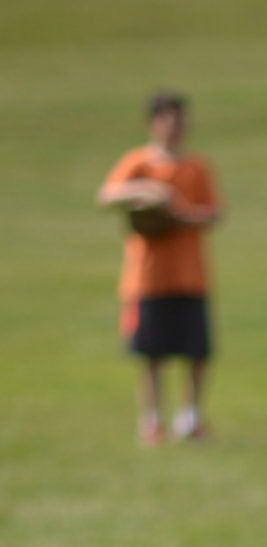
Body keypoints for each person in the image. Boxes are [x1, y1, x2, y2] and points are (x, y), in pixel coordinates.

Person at [97, 92, 223, 445]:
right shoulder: (138, 162)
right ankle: (152, 419)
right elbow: (106, 195)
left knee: (196, 350)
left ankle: (190, 417)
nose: (176, 126)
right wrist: (151, 190)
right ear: (152, 122)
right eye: (169, 118)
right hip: (147, 276)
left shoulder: (196, 166)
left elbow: (214, 213)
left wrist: (178, 215)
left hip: (190, 274)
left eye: (181, 118)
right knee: (151, 352)